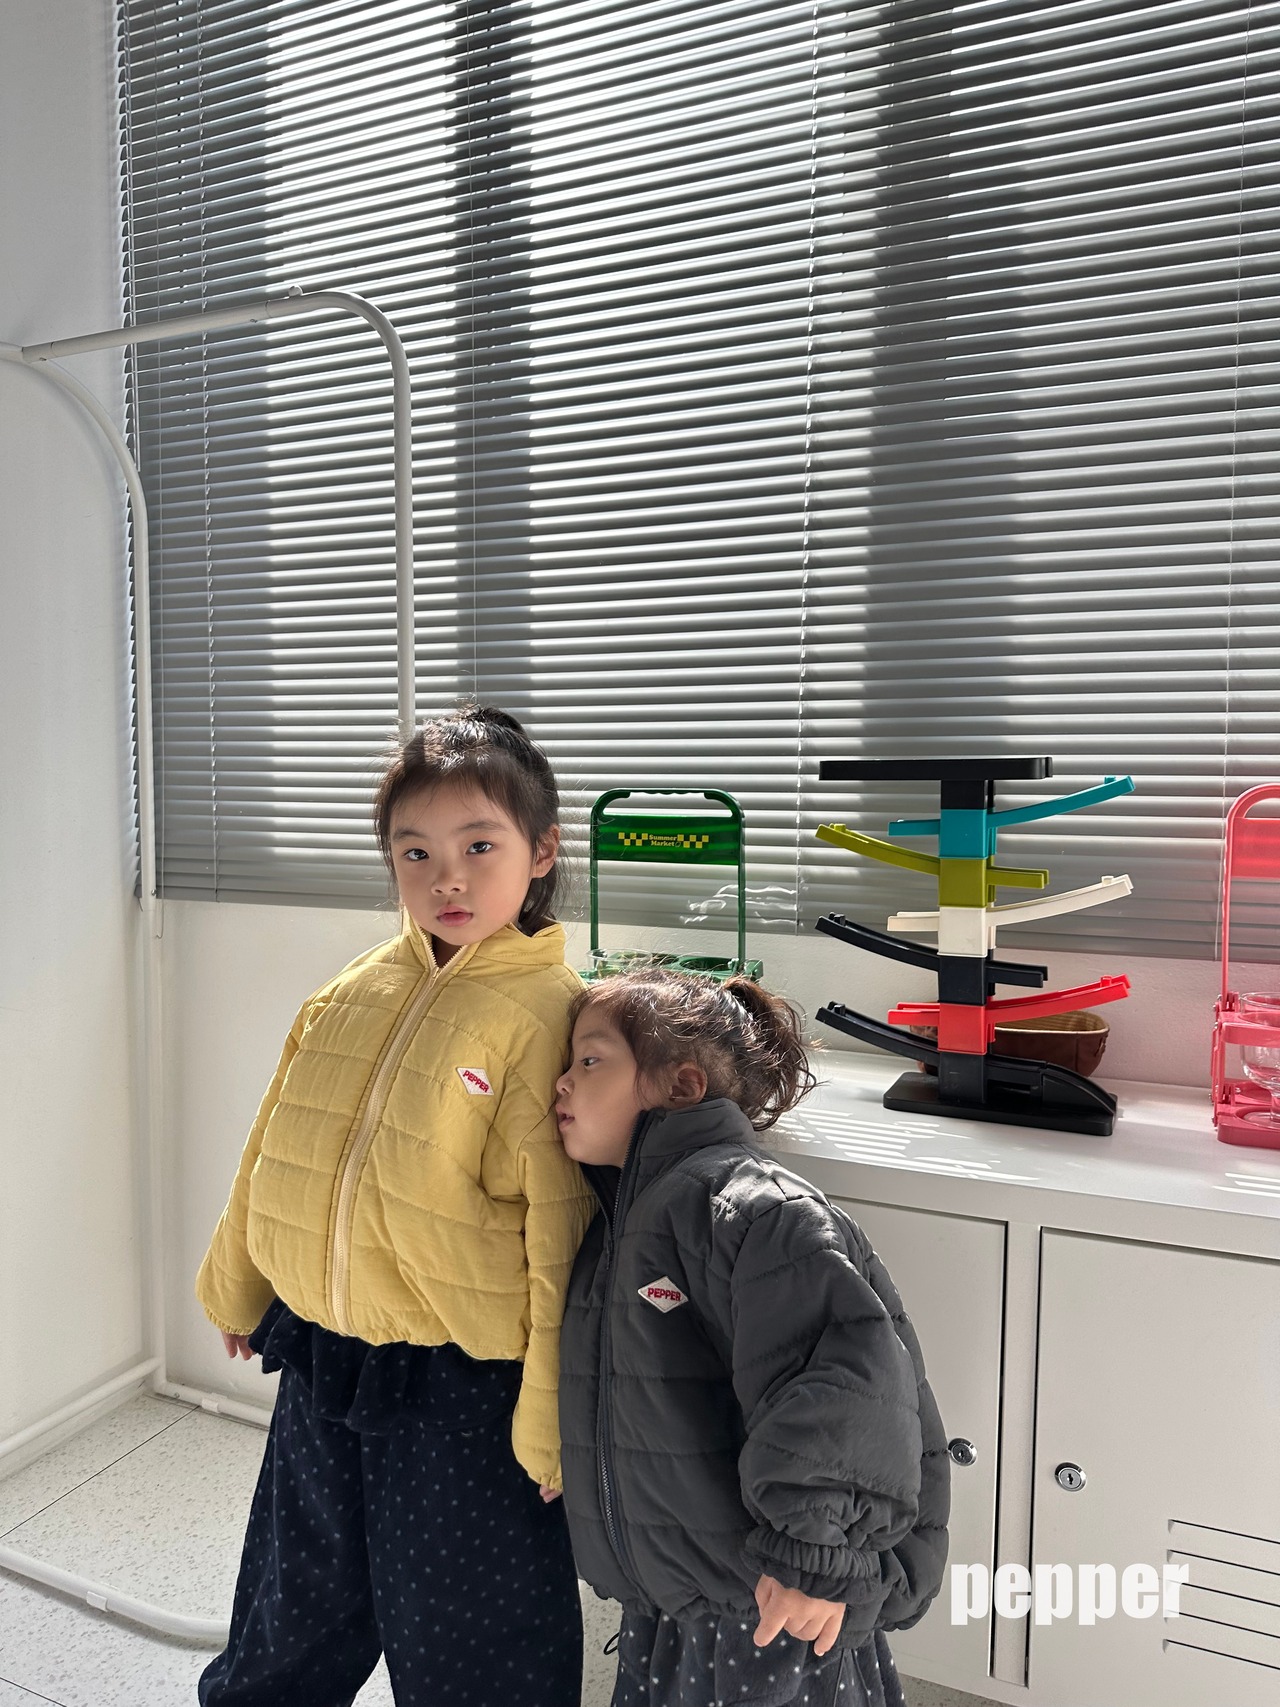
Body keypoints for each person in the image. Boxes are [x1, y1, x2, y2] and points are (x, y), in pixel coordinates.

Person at [194, 704, 597, 1707]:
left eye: (478, 846)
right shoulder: (356, 986)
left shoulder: (548, 1017)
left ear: (542, 851)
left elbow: (562, 1237)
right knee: (296, 1590)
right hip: (326, 1348)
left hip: (462, 1381)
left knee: (468, 1628)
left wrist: (551, 1420)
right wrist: (240, 1281)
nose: (445, 877)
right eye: (415, 852)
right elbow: (279, 1138)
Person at [552, 968, 950, 1707]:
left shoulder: (753, 1209)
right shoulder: (622, 1222)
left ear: (681, 1085)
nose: (562, 1082)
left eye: (590, 1059)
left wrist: (811, 1556)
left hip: (774, 1605)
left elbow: (844, 1386)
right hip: (676, 1597)